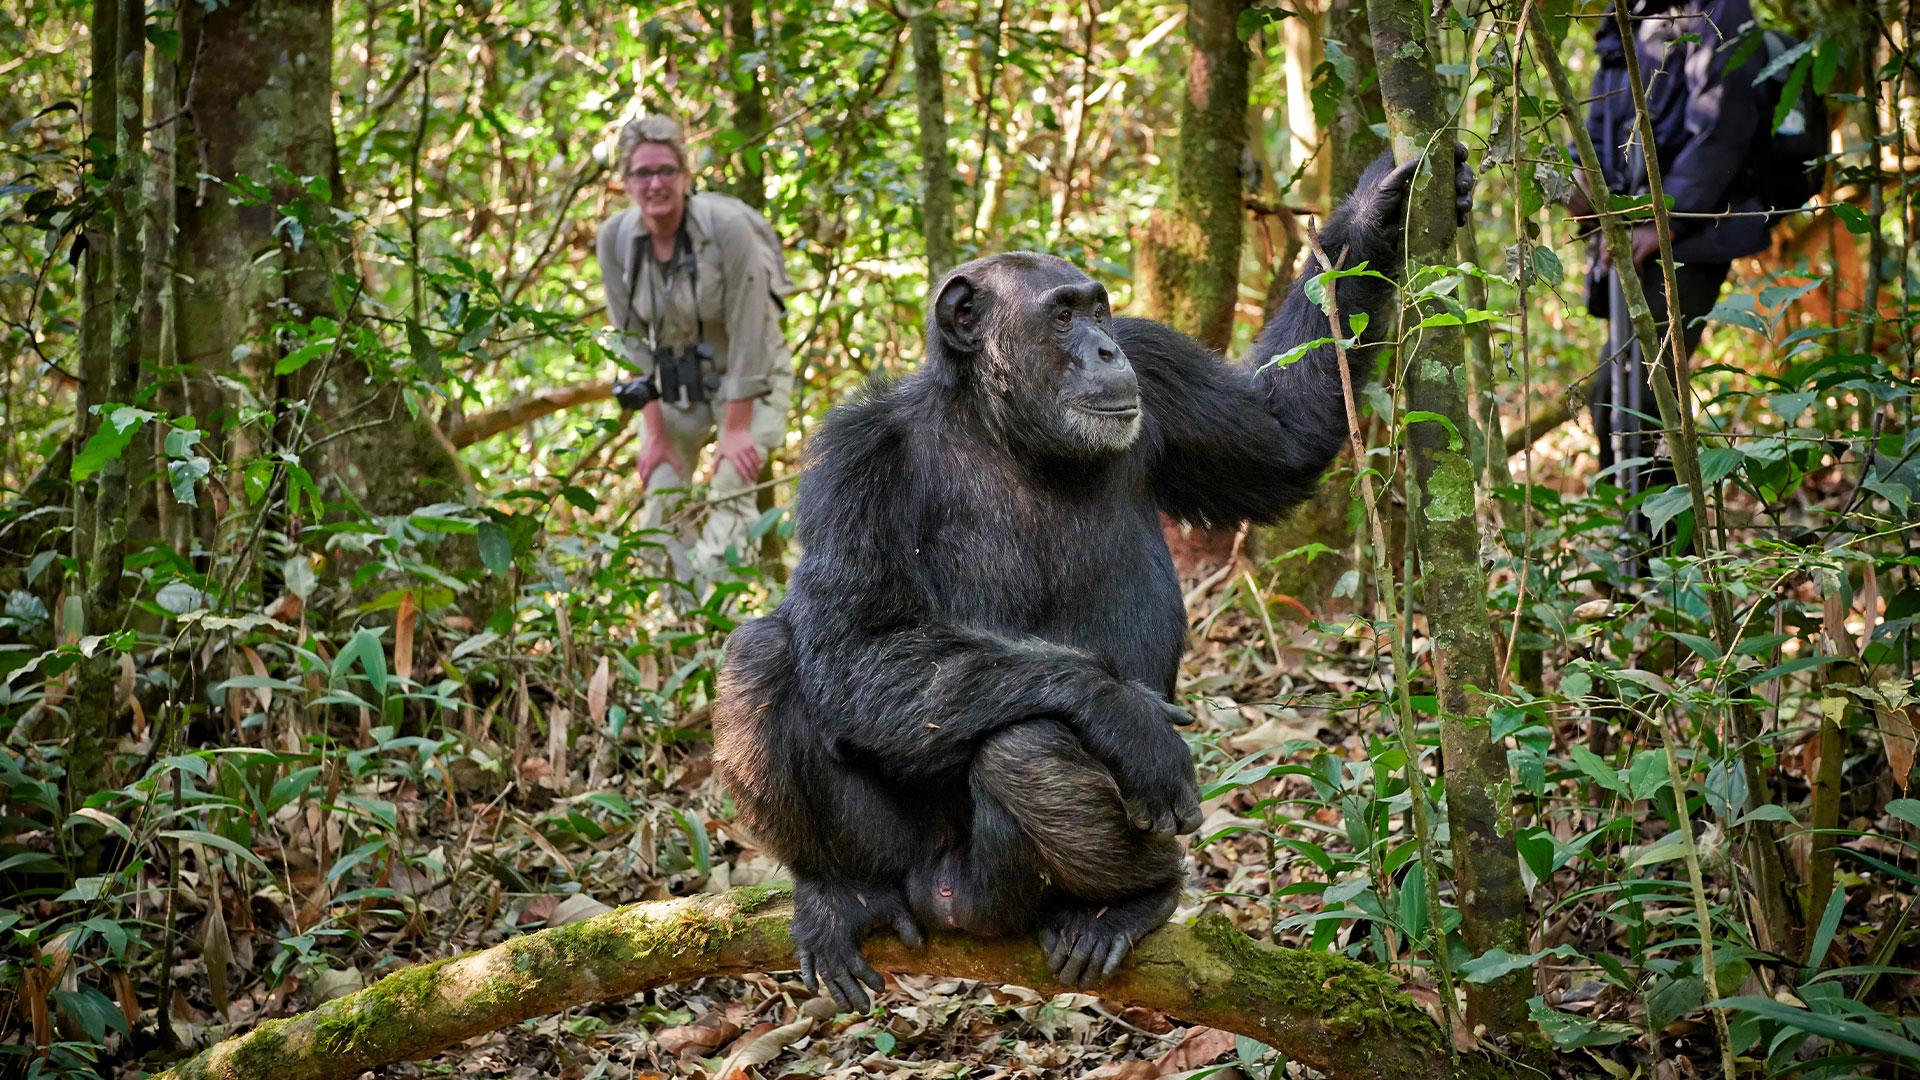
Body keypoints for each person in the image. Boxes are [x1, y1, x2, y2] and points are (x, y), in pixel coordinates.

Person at [1566, 0, 1775, 535]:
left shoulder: (1720, 9)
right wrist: (1578, 172)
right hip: (1631, 231)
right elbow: (1604, 105)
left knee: (1640, 400)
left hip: (1691, 237)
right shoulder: (1632, 13)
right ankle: (1638, 547)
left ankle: (1664, 561)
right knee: (1614, 398)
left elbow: (1722, 128)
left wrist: (1665, 218)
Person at [596, 115, 794, 606]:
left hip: (752, 380)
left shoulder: (725, 229)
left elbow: (753, 328)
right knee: (661, 495)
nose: (655, 184)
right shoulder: (615, 240)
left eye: (666, 171)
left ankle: (714, 618)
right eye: (642, 173)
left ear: (686, 177)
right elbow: (629, 342)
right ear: (626, 181)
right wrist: (656, 435)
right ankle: (675, 618)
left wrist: (735, 429)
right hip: (676, 385)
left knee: (729, 488)